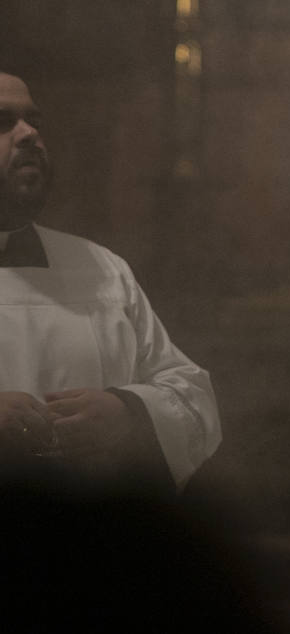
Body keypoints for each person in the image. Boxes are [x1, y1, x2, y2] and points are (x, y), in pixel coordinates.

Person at [0, 71, 221, 492]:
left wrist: (130, 413)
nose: (29, 133)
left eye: (33, 120)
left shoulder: (100, 269)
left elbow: (193, 397)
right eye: (1, 120)